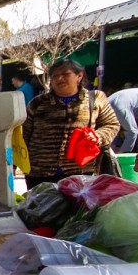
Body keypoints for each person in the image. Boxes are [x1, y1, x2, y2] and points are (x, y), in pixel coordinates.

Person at [23, 59, 121, 189]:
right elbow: (24, 133)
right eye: (55, 76)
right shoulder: (37, 103)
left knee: (79, 208)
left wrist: (98, 136)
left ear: (79, 76)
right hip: (39, 172)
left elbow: (111, 124)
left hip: (81, 171)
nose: (60, 79)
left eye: (65, 74)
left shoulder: (95, 98)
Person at [107, 88, 138, 153]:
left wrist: (121, 154)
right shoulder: (105, 106)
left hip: (136, 107)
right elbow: (112, 131)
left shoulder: (118, 108)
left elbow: (132, 132)